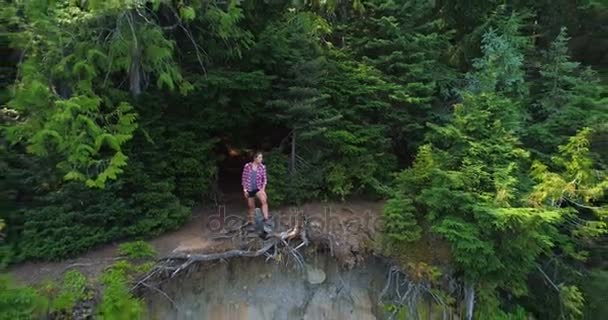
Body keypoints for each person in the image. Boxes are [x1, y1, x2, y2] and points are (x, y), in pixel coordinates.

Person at [241, 151, 271, 231]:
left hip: (258, 188)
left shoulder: (262, 167)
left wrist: (263, 190)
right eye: (260, 157)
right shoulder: (247, 166)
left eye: (261, 157)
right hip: (249, 188)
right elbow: (244, 179)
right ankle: (252, 222)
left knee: (264, 200)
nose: (261, 159)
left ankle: (266, 218)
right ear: (255, 158)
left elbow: (264, 179)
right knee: (251, 206)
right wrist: (244, 190)